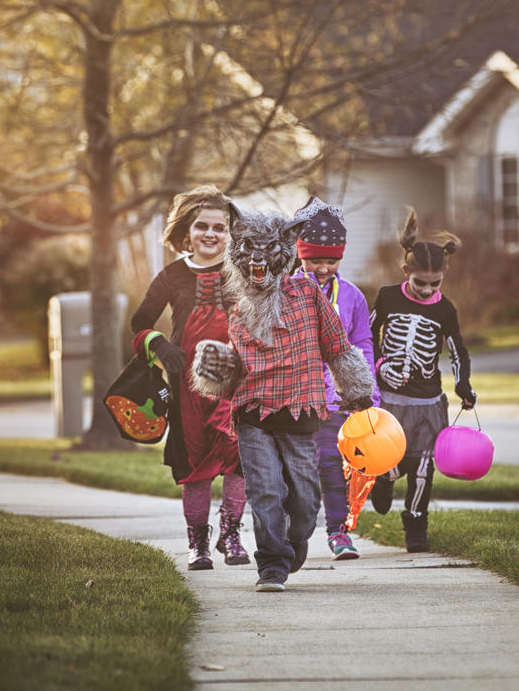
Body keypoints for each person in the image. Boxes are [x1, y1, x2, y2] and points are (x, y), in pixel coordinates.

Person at [190, 203, 375, 592]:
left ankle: (293, 543)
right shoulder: (238, 306)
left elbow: (337, 346)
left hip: (302, 413)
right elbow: (236, 365)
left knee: (306, 502)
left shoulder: (307, 292)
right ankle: (271, 565)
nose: (258, 263)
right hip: (253, 414)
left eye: (266, 253)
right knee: (266, 491)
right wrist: (216, 367)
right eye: (250, 254)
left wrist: (357, 391)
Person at [130, 185, 249, 571]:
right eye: (202, 227)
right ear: (187, 231)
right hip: (187, 386)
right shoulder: (172, 275)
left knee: (238, 459)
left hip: (237, 381)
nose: (211, 234)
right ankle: (197, 542)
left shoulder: (243, 270)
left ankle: (231, 534)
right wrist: (158, 344)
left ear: (231, 233)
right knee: (193, 464)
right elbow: (139, 323)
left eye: (220, 227)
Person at [368, 207, 477, 552]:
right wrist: (379, 366)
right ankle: (383, 479)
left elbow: (457, 349)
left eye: (435, 284)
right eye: (420, 283)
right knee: (391, 459)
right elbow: (366, 337)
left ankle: (415, 523)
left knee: (422, 466)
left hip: (428, 402)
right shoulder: (387, 297)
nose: (427, 290)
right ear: (406, 272)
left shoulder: (444, 308)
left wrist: (463, 386)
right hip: (390, 401)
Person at [291, 197, 380, 560]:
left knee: (331, 466)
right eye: (315, 259)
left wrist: (367, 395)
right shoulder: (285, 290)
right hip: (293, 400)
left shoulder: (353, 297)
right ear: (300, 255)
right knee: (296, 474)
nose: (323, 267)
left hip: (334, 402)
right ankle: (293, 534)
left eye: (331, 260)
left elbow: (362, 344)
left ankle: (338, 532)